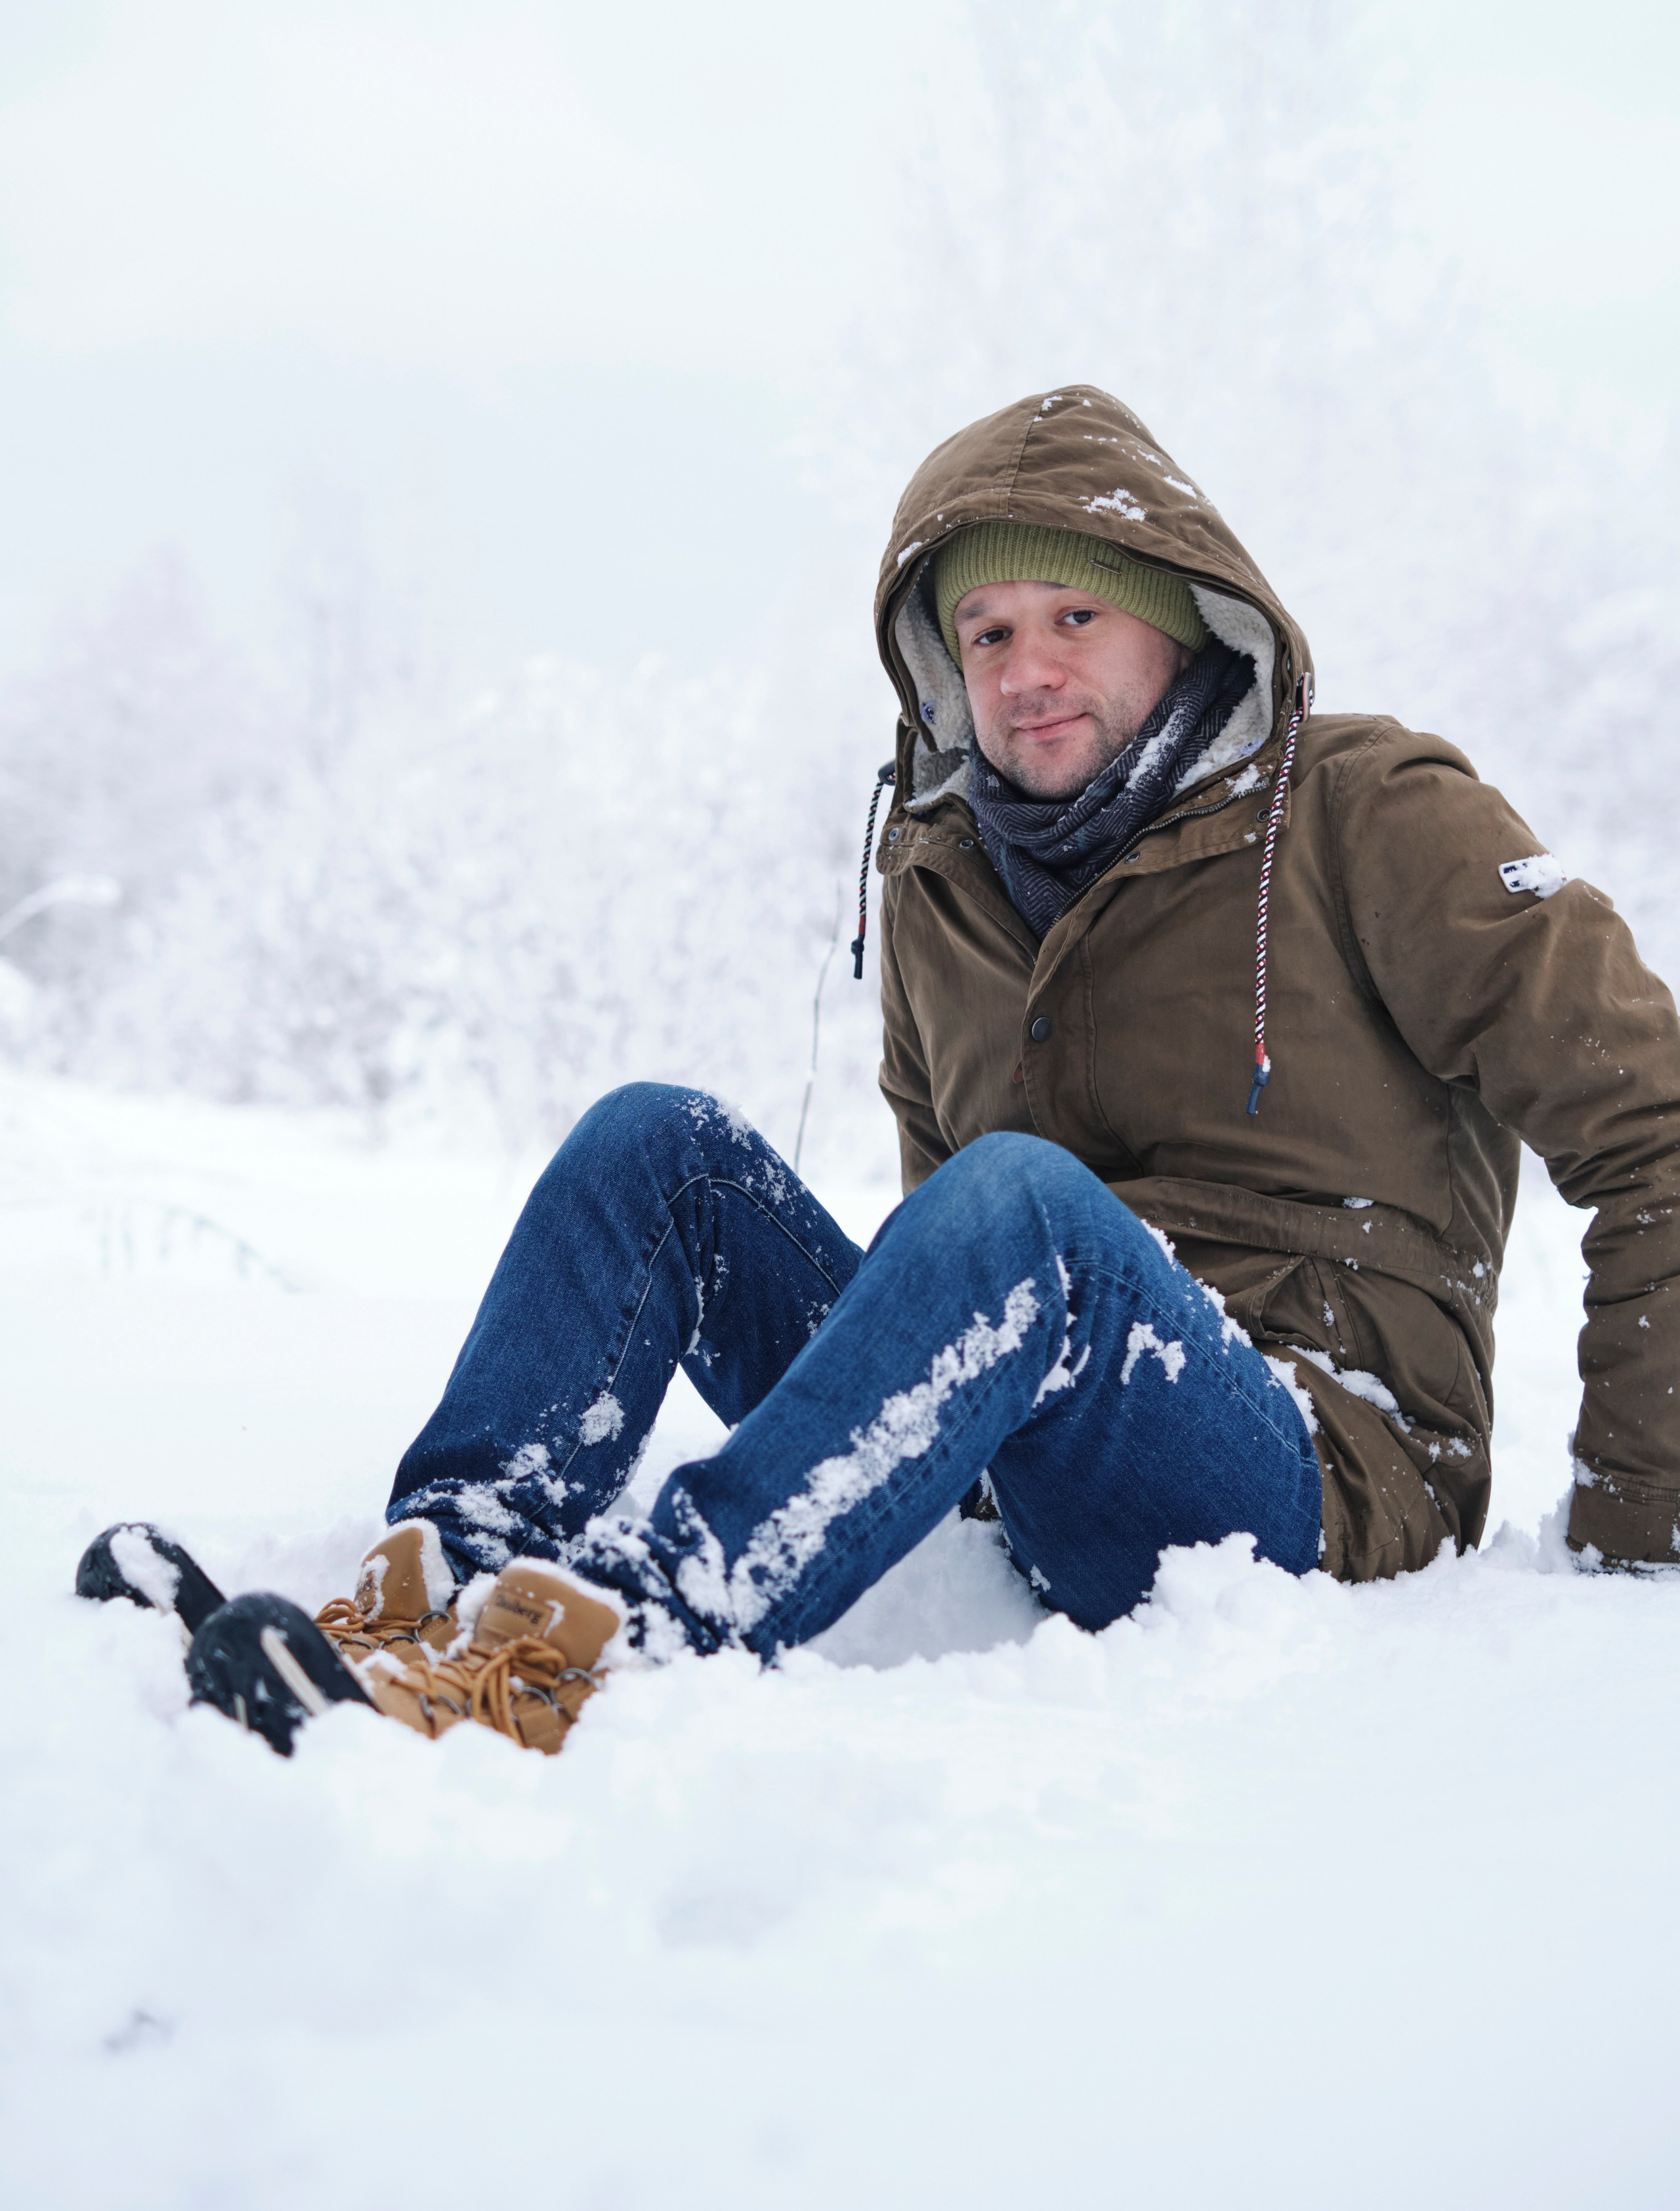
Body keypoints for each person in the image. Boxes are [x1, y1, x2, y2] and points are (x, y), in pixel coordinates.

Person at [182, 383, 1680, 1756]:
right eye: (987, 634)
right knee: (661, 1149)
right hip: (1028, 1435)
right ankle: (443, 1576)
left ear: (1185, 623)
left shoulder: (1368, 811)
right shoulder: (942, 880)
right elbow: (940, 1252)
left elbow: (1652, 1124)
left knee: (1017, 1203)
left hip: (1309, 1463)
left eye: (1075, 619)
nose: (1025, 672)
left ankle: (633, 1632)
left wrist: (1636, 1527)